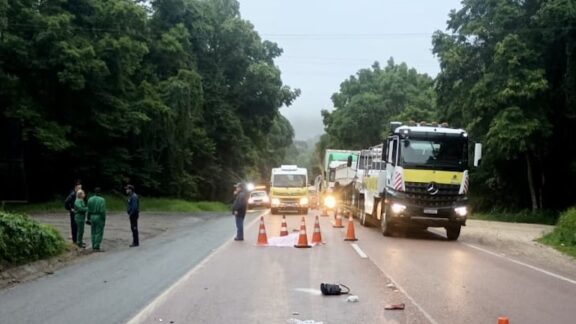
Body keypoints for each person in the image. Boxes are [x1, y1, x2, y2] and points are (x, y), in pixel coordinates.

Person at [87, 187, 106, 252]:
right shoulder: (102, 200)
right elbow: (102, 211)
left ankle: (93, 245)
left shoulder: (90, 199)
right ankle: (96, 246)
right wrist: (104, 219)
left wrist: (88, 218)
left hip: (92, 216)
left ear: (94, 192)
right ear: (100, 192)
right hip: (99, 216)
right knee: (99, 232)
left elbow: (88, 210)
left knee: (93, 231)